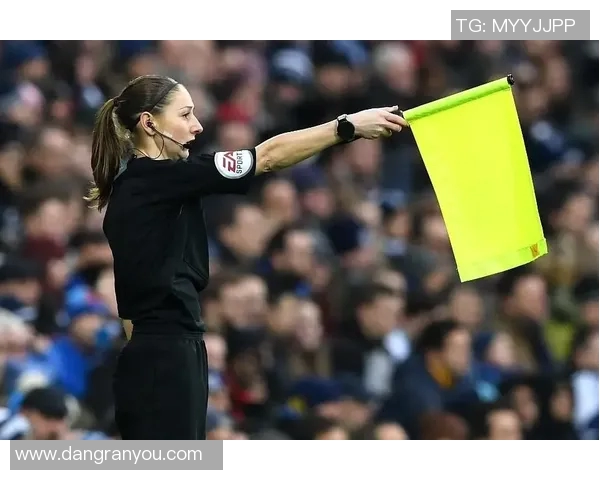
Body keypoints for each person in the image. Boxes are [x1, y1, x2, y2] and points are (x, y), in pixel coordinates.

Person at [85, 74, 407, 440]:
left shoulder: (134, 187)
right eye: (185, 115)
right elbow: (266, 157)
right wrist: (346, 127)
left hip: (153, 352)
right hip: (167, 355)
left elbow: (129, 314)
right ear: (149, 123)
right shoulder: (158, 180)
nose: (197, 126)